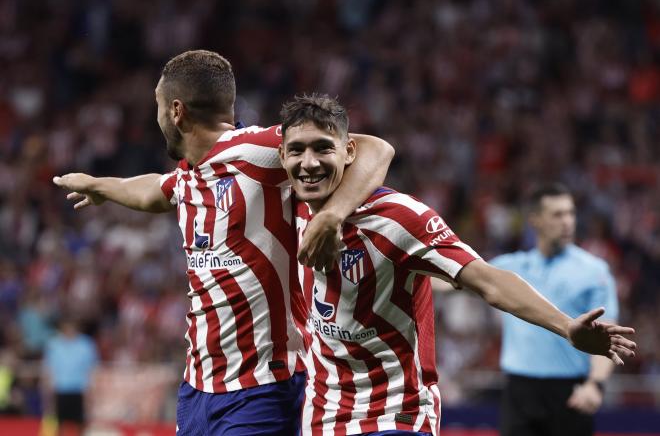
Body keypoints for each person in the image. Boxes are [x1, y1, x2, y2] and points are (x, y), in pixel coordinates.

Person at [53, 50, 394, 435]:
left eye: (158, 106)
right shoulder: (190, 175)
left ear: (176, 111)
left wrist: (333, 216)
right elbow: (154, 190)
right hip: (198, 388)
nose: (158, 116)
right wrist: (100, 186)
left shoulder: (258, 151)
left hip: (263, 386)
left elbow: (374, 148)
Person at [277, 94, 636, 436]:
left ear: (349, 151)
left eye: (324, 148)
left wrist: (566, 326)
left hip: (394, 413)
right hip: (322, 416)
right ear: (281, 156)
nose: (309, 163)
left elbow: (489, 282)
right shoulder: (282, 210)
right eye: (297, 150)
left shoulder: (400, 219)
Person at [490, 183, 621, 436]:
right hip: (519, 392)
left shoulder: (595, 271)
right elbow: (452, 279)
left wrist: (595, 385)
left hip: (571, 394)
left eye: (571, 213)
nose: (568, 222)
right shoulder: (510, 267)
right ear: (535, 220)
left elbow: (608, 335)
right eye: (558, 214)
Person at [42, 317, 98, 436]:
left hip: (79, 389)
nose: (69, 331)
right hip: (60, 389)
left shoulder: (86, 345)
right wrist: (47, 391)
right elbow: (49, 369)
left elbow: (92, 369)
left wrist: (91, 390)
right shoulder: (54, 345)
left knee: (81, 423)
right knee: (58, 423)